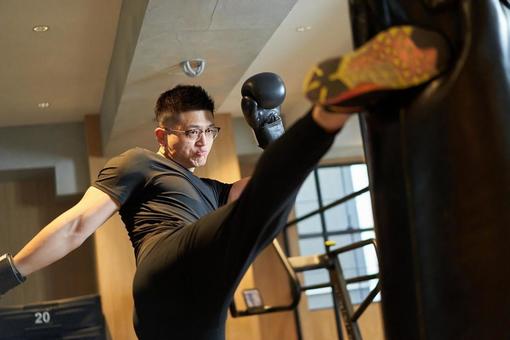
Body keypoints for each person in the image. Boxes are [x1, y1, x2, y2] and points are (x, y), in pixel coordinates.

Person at [0, 24, 449, 340]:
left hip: (203, 304)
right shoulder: (137, 163)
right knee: (247, 222)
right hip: (165, 270)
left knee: (264, 215)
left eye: (208, 132)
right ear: (164, 135)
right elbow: (78, 225)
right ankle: (330, 111)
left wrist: (271, 143)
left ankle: (302, 123)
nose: (202, 142)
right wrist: (11, 271)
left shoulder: (213, 190)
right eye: (191, 132)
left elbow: (262, 197)